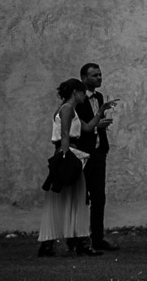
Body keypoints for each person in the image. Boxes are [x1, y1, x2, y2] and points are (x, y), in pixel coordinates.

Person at [38, 78, 96, 257]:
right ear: (75, 92)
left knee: (66, 196)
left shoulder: (69, 109)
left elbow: (87, 128)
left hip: (68, 150)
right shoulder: (67, 109)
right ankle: (80, 242)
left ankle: (55, 243)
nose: (84, 96)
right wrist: (65, 156)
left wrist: (101, 111)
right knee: (78, 195)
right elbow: (64, 133)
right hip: (69, 151)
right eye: (82, 92)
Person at [74, 63, 116, 251]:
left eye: (100, 74)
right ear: (84, 78)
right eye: (94, 75)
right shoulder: (78, 100)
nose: (99, 78)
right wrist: (96, 126)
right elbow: (78, 127)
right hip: (83, 152)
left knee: (99, 197)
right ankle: (79, 239)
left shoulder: (99, 97)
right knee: (81, 197)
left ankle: (97, 237)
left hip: (99, 152)